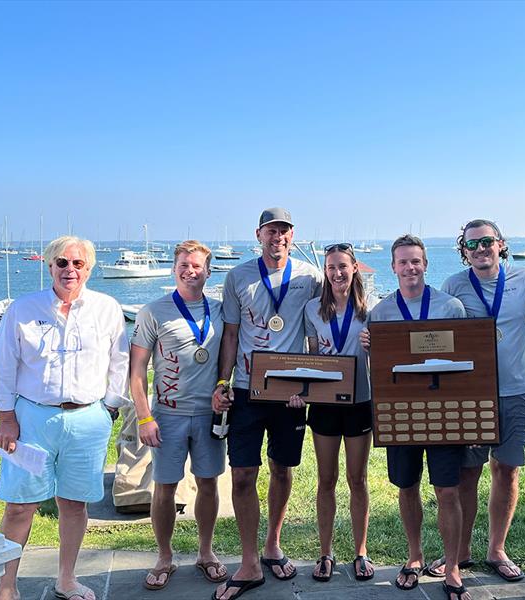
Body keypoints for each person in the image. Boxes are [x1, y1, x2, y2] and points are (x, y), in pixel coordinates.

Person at [0, 236, 129, 600]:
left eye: (78, 264)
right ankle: (7, 586)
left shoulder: (107, 308)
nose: (70, 270)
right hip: (32, 419)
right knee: (19, 506)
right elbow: (3, 365)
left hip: (87, 420)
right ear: (49, 266)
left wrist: (109, 407)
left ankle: (66, 579)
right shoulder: (23, 309)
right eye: (62, 263)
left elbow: (120, 361)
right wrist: (6, 418)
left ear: (89, 268)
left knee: (74, 503)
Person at [211, 208, 322, 600]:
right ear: (258, 234)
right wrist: (223, 381)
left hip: (290, 393)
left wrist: (312, 384)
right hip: (245, 389)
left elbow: (322, 326)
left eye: (285, 231)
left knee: (282, 468)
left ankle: (272, 544)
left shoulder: (311, 277)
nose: (279, 237)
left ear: (293, 236)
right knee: (242, 474)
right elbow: (230, 334)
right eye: (272, 231)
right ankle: (248, 561)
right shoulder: (238, 276)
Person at [360, 234, 470, 600]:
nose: (410, 268)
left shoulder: (450, 306)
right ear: (393, 267)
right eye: (403, 262)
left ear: (425, 264)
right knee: (406, 487)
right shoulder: (381, 312)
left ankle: (452, 567)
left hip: (443, 412)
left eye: (416, 261)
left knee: (448, 490)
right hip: (401, 412)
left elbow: (466, 360)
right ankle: (414, 557)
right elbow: (382, 369)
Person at [438, 219, 525, 583]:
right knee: (468, 472)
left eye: (487, 242)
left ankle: (496, 549)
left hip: (516, 390)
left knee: (507, 470)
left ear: (500, 244)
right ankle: (461, 552)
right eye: (472, 245)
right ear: (464, 251)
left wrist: (510, 338)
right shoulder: (453, 285)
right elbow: (440, 333)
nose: (480, 249)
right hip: (472, 391)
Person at [130, 240, 227, 590]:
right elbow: (137, 369)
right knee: (165, 487)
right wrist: (144, 416)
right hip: (167, 416)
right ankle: (164, 556)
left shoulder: (219, 310)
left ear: (208, 271)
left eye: (197, 265)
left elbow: (228, 356)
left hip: (208, 415)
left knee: (208, 483)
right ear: (174, 268)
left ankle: (206, 552)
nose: (190, 270)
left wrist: (223, 385)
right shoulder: (152, 311)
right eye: (184, 264)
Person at [287, 243, 374, 583]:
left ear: (354, 268)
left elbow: (382, 362)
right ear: (325, 271)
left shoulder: (371, 310)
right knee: (326, 480)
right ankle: (326, 553)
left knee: (358, 480)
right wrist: (301, 394)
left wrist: (376, 347)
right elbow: (310, 359)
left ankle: (361, 553)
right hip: (324, 405)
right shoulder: (312, 310)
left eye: (343, 266)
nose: (337, 273)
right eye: (331, 267)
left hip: (359, 403)